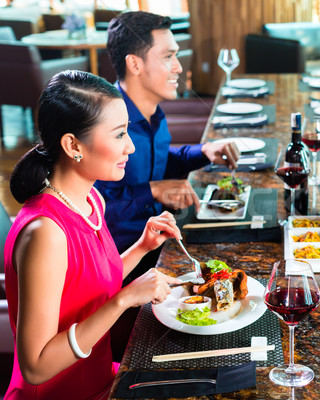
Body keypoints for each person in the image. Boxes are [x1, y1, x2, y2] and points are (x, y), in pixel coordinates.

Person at [4, 70, 184, 399]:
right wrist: (124, 300)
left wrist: (142, 247)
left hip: (101, 380)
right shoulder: (46, 233)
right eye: (118, 135)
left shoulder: (90, 199)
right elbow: (35, 365)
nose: (130, 146)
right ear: (73, 145)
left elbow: (88, 283)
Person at [94, 11, 240, 275]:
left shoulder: (153, 113)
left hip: (161, 243)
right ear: (135, 65)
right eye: (169, 56)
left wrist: (204, 152)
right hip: (122, 266)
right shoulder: (103, 123)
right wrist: (152, 191)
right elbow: (94, 212)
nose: (179, 67)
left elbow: (156, 159)